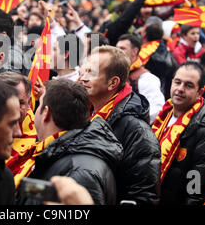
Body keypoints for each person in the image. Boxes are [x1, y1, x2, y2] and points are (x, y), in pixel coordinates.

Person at [10, 79, 123, 205]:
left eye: (38, 105)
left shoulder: (78, 172)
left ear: (46, 113)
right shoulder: (58, 154)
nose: (34, 112)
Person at [77, 45, 161, 205]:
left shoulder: (137, 131)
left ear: (112, 83)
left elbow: (144, 195)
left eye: (91, 73)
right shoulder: (83, 112)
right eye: (83, 70)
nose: (82, 78)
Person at [152, 61, 205, 204]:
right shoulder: (164, 114)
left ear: (200, 93)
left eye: (188, 85)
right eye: (177, 82)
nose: (180, 89)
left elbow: (196, 192)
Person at [116, 34, 165, 123]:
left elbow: (157, 109)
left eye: (122, 48)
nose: (117, 52)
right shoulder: (114, 73)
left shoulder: (146, 78)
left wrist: (133, 124)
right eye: (117, 48)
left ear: (134, 51)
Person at [0, 71, 37, 156]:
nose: (14, 110)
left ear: (29, 103)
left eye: (20, 103)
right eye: (6, 103)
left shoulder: (41, 140)